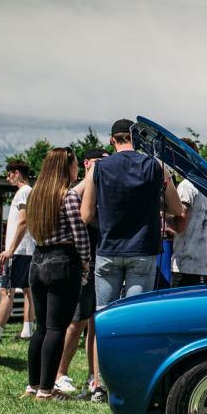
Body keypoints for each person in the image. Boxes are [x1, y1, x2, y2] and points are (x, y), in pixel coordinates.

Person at [81, 119, 182, 311]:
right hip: (142, 251)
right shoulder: (157, 167)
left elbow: (86, 216)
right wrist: (153, 206)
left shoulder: (98, 168)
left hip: (108, 250)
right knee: (136, 314)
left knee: (104, 313)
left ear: (112, 140)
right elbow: (177, 209)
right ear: (136, 138)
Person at [23, 148, 90, 401]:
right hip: (62, 262)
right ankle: (47, 390)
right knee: (56, 329)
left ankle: (33, 385)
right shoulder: (69, 196)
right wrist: (85, 263)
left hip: (37, 261)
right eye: (74, 165)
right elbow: (80, 235)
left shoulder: (37, 197)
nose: (77, 170)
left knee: (41, 329)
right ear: (67, 167)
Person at [55, 148, 106, 400]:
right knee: (77, 322)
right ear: (87, 164)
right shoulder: (77, 190)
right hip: (84, 265)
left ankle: (92, 375)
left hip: (102, 261)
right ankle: (59, 375)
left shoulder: (104, 189)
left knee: (96, 324)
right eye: (100, 162)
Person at [0, 160, 36, 344]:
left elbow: (23, 221)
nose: (7, 179)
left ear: (16, 173)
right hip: (28, 250)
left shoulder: (23, 192)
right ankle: (27, 331)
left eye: (8, 175)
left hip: (19, 251)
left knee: (6, 290)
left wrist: (10, 250)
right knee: (27, 291)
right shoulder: (29, 191)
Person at [169, 137, 207, 288]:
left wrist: (164, 216)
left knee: (177, 310)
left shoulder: (186, 186)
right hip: (204, 266)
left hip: (185, 266)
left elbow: (180, 225)